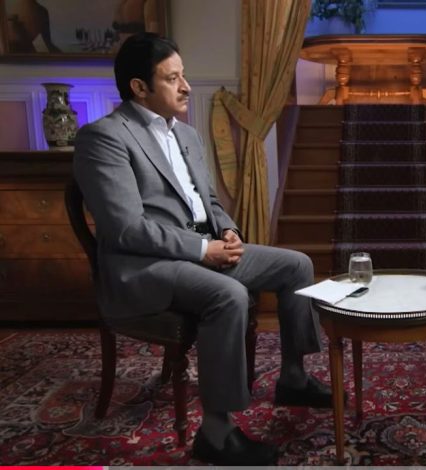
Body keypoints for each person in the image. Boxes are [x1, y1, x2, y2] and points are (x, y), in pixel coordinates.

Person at [73, 33, 330, 466]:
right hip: (145, 265)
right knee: (228, 295)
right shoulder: (104, 138)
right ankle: (216, 432)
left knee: (297, 266)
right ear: (139, 87)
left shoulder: (187, 135)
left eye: (184, 75)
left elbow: (207, 201)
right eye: (172, 78)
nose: (187, 86)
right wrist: (201, 249)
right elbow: (125, 229)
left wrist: (227, 231)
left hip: (201, 249)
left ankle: (293, 377)